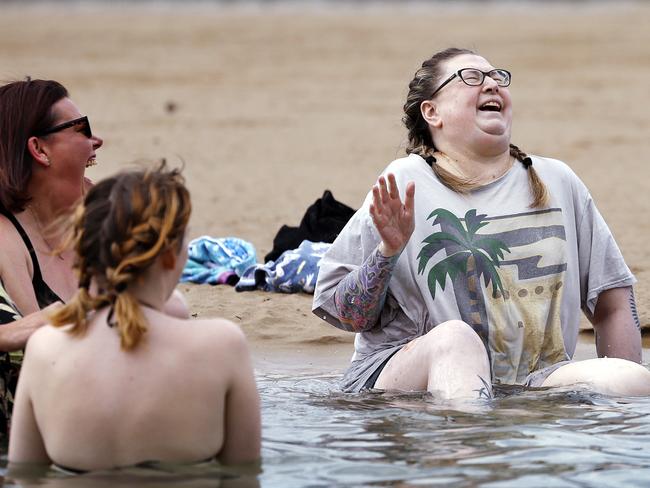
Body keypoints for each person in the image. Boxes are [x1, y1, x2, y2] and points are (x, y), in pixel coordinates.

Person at [313, 47, 650, 399]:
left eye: (497, 77)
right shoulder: (407, 182)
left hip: (532, 385)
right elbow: (345, 315)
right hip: (406, 380)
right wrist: (387, 252)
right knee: (456, 340)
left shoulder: (557, 180)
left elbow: (613, 304)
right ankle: (468, 447)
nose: (490, 84)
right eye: (470, 78)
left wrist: (620, 422)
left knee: (631, 380)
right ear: (432, 111)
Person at [8, 164, 261, 471]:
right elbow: (244, 474)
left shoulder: (45, 349)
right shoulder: (222, 345)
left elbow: (25, 475)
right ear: (169, 253)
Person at [0, 78, 187, 431]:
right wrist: (51, 320)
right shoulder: (4, 238)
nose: (96, 140)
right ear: (39, 150)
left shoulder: (101, 222)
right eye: (82, 129)